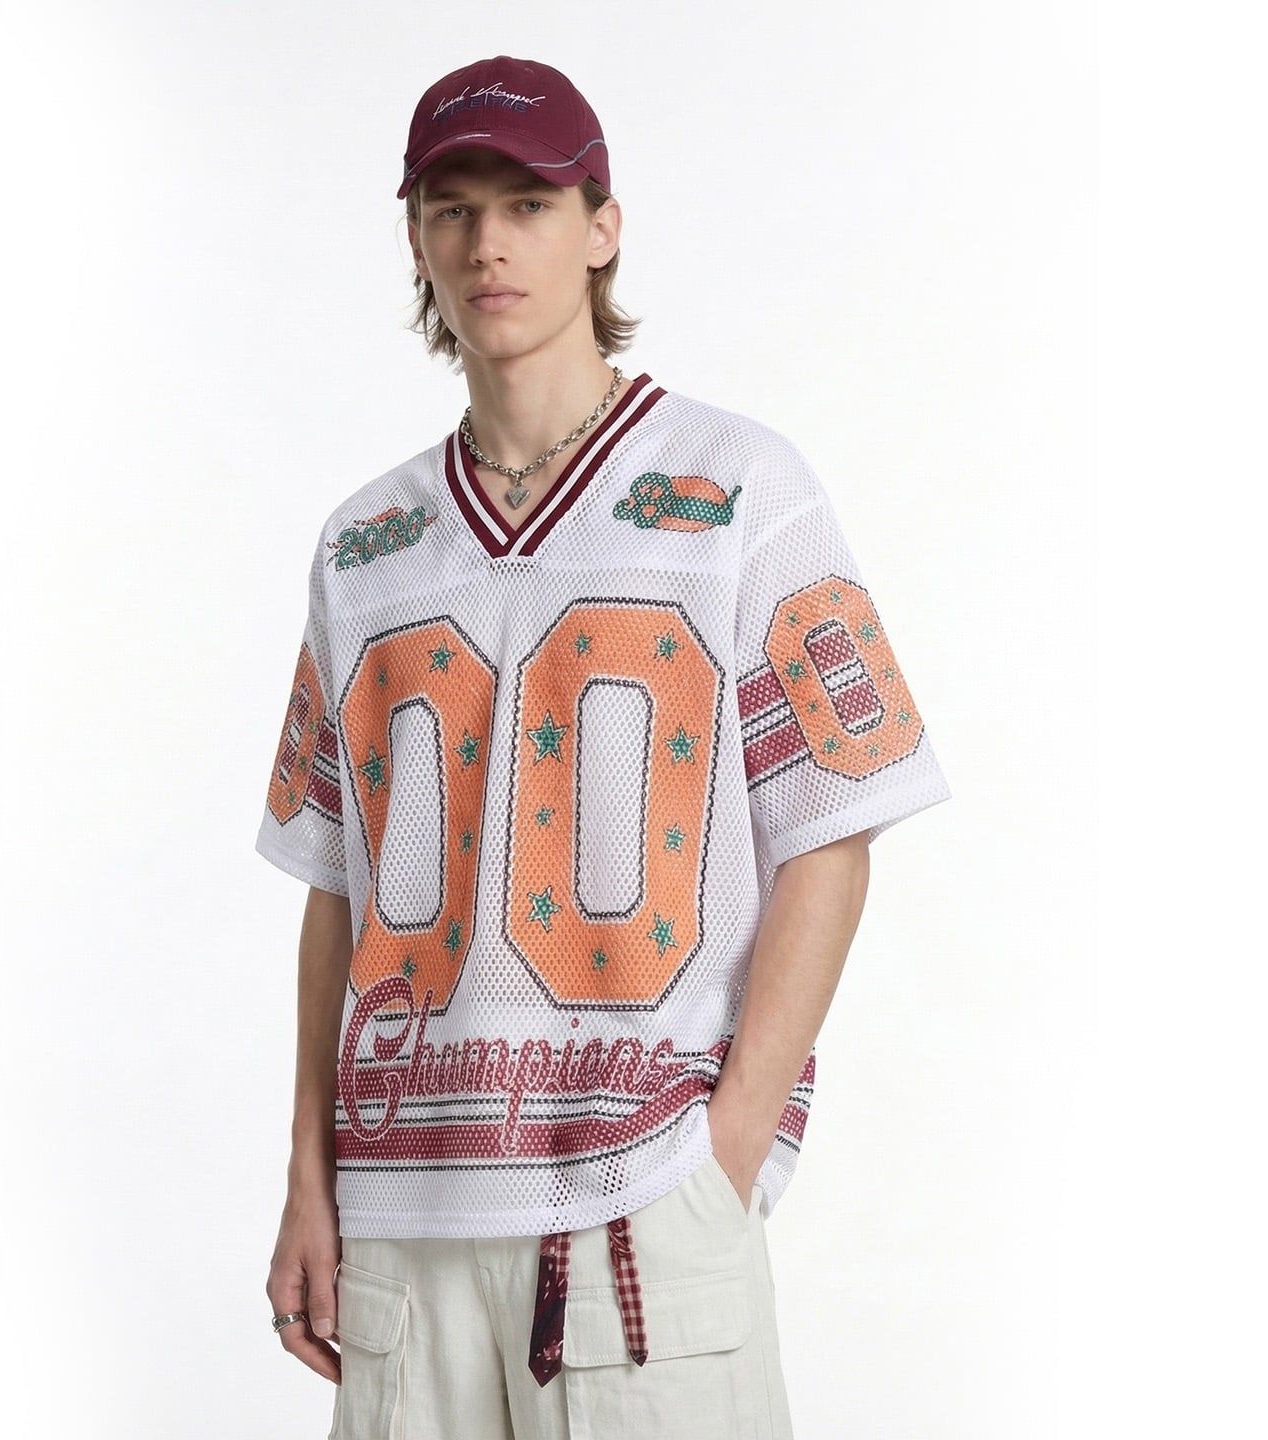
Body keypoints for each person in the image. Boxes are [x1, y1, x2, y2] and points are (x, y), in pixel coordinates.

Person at [259, 54, 951, 1440]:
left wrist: (725, 1146)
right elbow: (338, 885)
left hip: (639, 1204)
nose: (488, 244)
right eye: (453, 208)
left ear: (601, 225)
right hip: (401, 1221)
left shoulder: (741, 488)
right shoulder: (364, 544)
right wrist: (309, 1178)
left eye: (527, 203)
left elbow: (836, 827)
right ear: (417, 239)